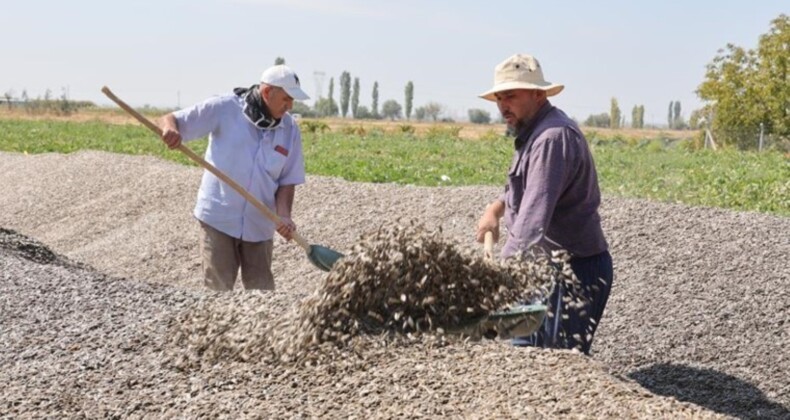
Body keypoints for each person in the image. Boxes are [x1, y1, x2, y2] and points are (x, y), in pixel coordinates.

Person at [475, 54, 613, 355]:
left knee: (558, 369)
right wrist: (494, 211)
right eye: (499, 98)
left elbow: (530, 223)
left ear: (538, 95)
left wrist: (498, 279)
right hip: (542, 269)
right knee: (525, 355)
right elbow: (521, 191)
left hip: (573, 273)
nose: (502, 106)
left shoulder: (552, 138)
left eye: (510, 96)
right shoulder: (533, 133)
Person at [159, 64, 309, 291]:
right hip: (219, 219)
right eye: (286, 99)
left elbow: (287, 181)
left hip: (259, 225)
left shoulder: (289, 130)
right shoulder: (224, 108)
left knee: (263, 295)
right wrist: (171, 130)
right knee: (218, 290)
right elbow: (171, 119)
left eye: (292, 101)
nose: (289, 107)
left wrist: (284, 215)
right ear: (267, 92)